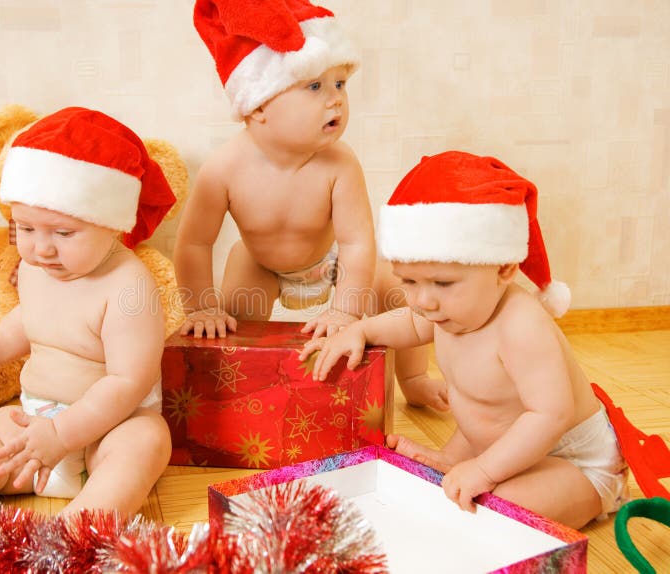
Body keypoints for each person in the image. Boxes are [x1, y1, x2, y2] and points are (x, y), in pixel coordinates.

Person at [300, 151, 629, 529]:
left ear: (504, 269)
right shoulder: (447, 310)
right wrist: (361, 329)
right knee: (449, 493)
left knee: (495, 507)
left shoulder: (521, 326)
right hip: (500, 449)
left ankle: (524, 483)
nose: (423, 300)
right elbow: (409, 323)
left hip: (575, 464)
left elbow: (549, 416)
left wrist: (485, 471)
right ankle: (457, 465)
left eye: (443, 283)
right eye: (409, 281)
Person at [178, 0, 439, 406]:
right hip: (262, 263)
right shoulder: (224, 168)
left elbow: (356, 243)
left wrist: (346, 312)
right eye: (315, 86)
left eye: (340, 85)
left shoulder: (340, 164)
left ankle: (415, 377)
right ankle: (239, 384)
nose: (335, 99)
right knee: (232, 318)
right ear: (260, 104)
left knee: (396, 289)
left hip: (331, 259)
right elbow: (194, 242)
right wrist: (200, 308)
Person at [0, 107, 177, 517]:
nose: (42, 248)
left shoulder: (130, 287)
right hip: (35, 418)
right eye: (25, 229)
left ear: (111, 223)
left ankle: (81, 523)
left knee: (145, 443)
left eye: (63, 233)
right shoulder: (36, 267)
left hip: (107, 429)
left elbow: (128, 381)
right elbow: (31, 318)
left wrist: (63, 434)